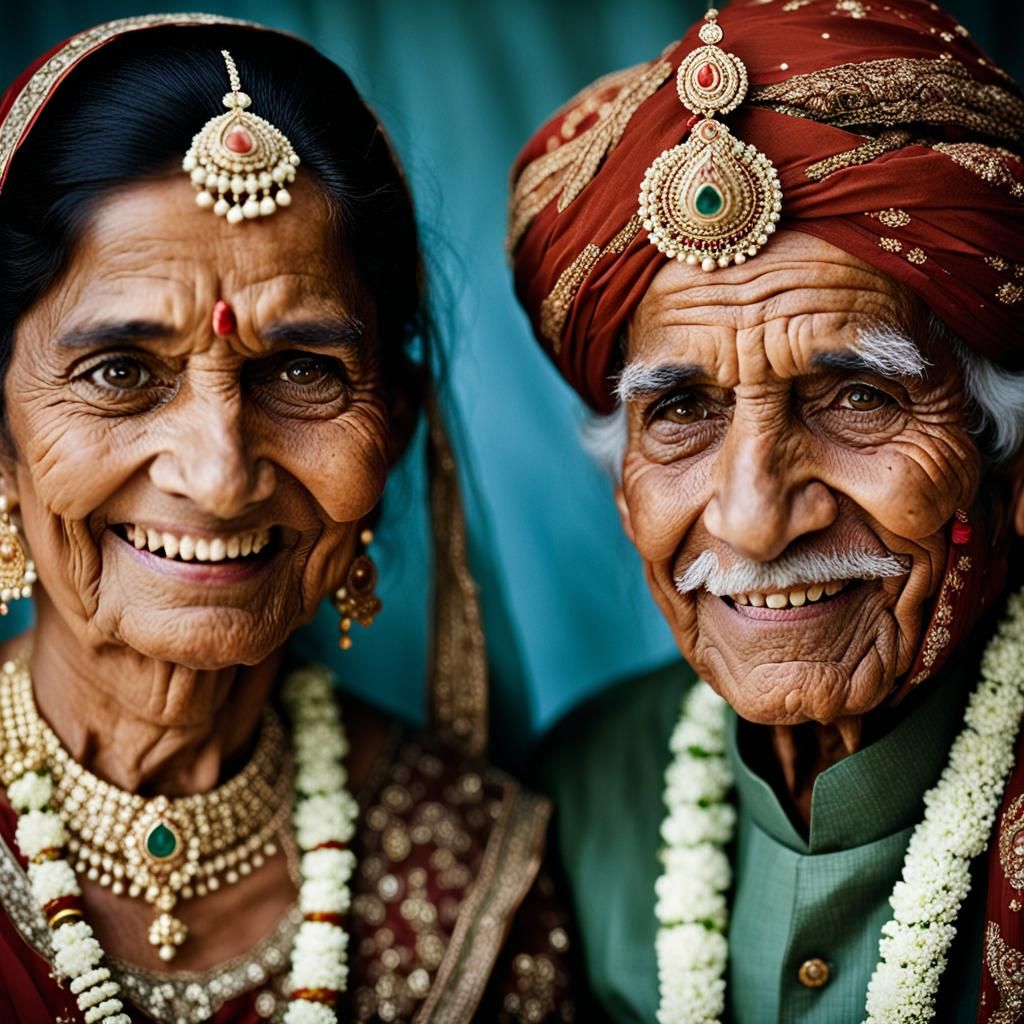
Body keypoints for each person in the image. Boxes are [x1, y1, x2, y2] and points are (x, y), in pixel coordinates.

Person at [0, 15, 584, 1024]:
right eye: (119, 372)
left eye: (302, 371)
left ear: (394, 428)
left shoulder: (475, 872)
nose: (221, 476)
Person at [508, 0, 1024, 1020]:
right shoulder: (575, 797)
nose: (751, 520)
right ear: (621, 482)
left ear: (999, 452)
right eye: (682, 411)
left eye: (858, 398)